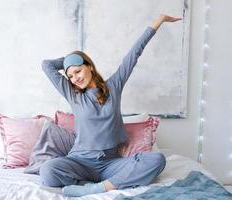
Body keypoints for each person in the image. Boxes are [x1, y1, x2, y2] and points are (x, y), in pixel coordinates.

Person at [40, 14, 182, 197]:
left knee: (157, 160)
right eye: (71, 76)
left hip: (110, 164)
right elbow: (47, 66)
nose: (75, 78)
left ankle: (95, 188)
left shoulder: (114, 86)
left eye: (78, 71)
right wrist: (69, 59)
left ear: (89, 66)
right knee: (48, 171)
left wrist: (159, 21)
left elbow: (134, 54)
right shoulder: (73, 94)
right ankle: (86, 183)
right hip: (80, 161)